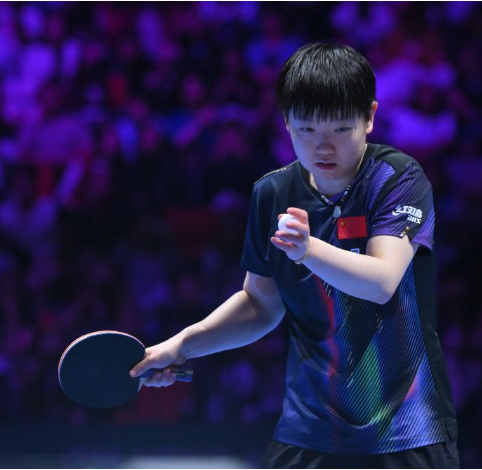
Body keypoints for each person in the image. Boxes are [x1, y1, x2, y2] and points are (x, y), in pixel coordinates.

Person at [129, 43, 459, 468]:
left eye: (341, 129)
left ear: (370, 117)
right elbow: (260, 305)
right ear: (285, 122)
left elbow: (381, 282)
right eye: (306, 129)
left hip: (407, 431)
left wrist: (308, 250)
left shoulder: (397, 179)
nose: (323, 147)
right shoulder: (273, 193)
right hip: (309, 432)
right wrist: (180, 346)